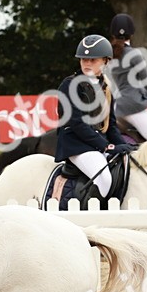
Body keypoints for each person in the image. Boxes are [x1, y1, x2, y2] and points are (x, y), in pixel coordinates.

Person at [54, 34, 132, 200]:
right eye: (84, 60)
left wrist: (123, 145)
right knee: (103, 178)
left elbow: (110, 125)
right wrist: (106, 147)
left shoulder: (107, 88)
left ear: (106, 61)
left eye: (93, 60)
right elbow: (76, 123)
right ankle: (88, 218)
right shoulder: (69, 85)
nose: (87, 63)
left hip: (95, 144)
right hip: (75, 145)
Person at [106, 13, 147, 142]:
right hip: (133, 106)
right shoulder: (133, 54)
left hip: (117, 108)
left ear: (113, 34)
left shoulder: (110, 55)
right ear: (132, 33)